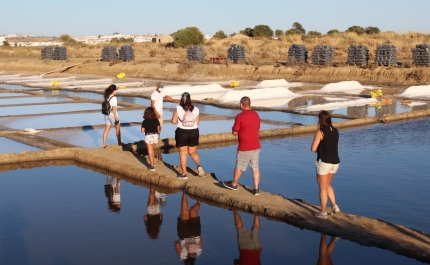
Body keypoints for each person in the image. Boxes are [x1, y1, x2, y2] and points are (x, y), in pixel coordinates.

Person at [223, 96, 261, 196]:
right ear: (250, 104)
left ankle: (234, 184)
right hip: (256, 145)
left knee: (239, 167)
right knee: (255, 168)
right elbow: (257, 127)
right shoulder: (256, 114)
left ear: (241, 104)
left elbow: (235, 132)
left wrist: (234, 129)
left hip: (245, 146)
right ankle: (256, 189)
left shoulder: (240, 116)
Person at [311, 110, 341, 219]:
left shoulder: (320, 132)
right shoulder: (336, 131)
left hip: (324, 162)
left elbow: (313, 148)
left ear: (321, 119)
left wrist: (319, 146)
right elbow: (337, 143)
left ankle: (323, 212)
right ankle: (334, 206)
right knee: (327, 184)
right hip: (336, 162)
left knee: (322, 187)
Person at [171, 92, 206, 179]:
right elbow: (197, 122)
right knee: (193, 152)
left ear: (181, 99)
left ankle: (184, 174)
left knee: (183, 153)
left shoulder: (177, 109)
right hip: (194, 131)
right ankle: (199, 166)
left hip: (182, 132)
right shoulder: (196, 109)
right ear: (190, 99)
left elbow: (173, 121)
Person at [174, 192, 202, 264]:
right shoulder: (182, 255)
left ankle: (200, 201)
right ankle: (184, 192)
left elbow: (200, 240)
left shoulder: (198, 253)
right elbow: (177, 243)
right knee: (184, 211)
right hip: (184, 233)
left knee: (193, 211)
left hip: (195, 233)